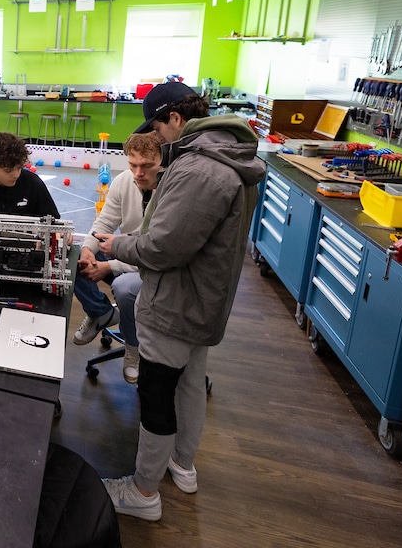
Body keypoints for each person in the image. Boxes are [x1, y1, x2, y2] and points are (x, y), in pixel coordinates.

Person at [96, 81, 264, 522]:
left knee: (156, 392)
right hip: (205, 299)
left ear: (175, 118)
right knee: (190, 385)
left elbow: (162, 248)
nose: (157, 137)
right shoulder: (230, 156)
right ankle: (182, 465)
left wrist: (117, 246)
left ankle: (143, 492)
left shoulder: (199, 170)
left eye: (157, 127)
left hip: (175, 303)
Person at [72, 131, 164, 385]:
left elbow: (154, 248)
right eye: (133, 165)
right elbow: (105, 222)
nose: (138, 173)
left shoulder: (171, 189)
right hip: (127, 252)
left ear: (163, 160)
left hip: (155, 266)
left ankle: (133, 348)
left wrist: (107, 266)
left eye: (147, 166)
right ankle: (100, 312)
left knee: (124, 289)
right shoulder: (124, 181)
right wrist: (89, 249)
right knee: (74, 256)